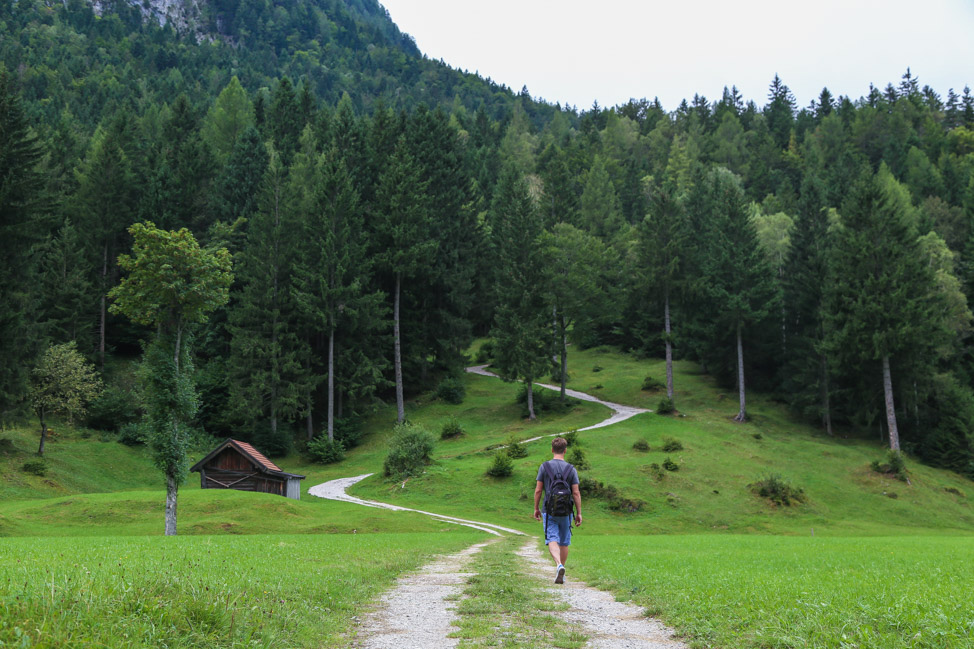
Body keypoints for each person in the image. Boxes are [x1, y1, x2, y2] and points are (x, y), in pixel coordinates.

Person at [533, 436, 582, 584]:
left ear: (552, 450)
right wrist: (578, 513)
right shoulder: (571, 469)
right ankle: (562, 570)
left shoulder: (544, 467)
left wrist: (536, 508)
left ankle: (558, 565)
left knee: (552, 538)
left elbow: (538, 490)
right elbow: (576, 493)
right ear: (565, 451)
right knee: (564, 542)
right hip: (566, 511)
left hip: (549, 509)